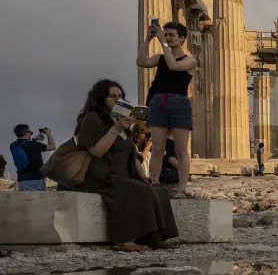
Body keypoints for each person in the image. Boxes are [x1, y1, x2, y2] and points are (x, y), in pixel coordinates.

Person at [73, 80, 178, 251]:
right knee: (137, 191)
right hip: (102, 175)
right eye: (112, 96)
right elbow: (96, 151)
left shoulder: (123, 122)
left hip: (123, 174)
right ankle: (123, 239)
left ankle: (153, 238)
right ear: (101, 98)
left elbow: (133, 156)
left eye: (120, 96)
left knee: (158, 191)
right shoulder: (92, 119)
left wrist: (145, 178)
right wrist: (114, 129)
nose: (117, 100)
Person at [138, 20, 197, 189]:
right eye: (166, 34)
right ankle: (154, 182)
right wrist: (148, 39)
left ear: (182, 39)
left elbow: (174, 66)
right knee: (157, 148)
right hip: (159, 101)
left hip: (179, 102)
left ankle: (182, 187)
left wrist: (162, 41)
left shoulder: (190, 60)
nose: (168, 38)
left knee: (180, 149)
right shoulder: (160, 58)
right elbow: (141, 62)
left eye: (172, 35)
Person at [11, 123, 56, 191]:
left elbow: (26, 146)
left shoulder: (13, 145)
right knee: (39, 200)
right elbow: (52, 146)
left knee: (24, 200)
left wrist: (34, 139)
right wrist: (49, 134)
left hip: (21, 180)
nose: (31, 133)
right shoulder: (35, 145)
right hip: (36, 180)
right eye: (29, 132)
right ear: (26, 134)